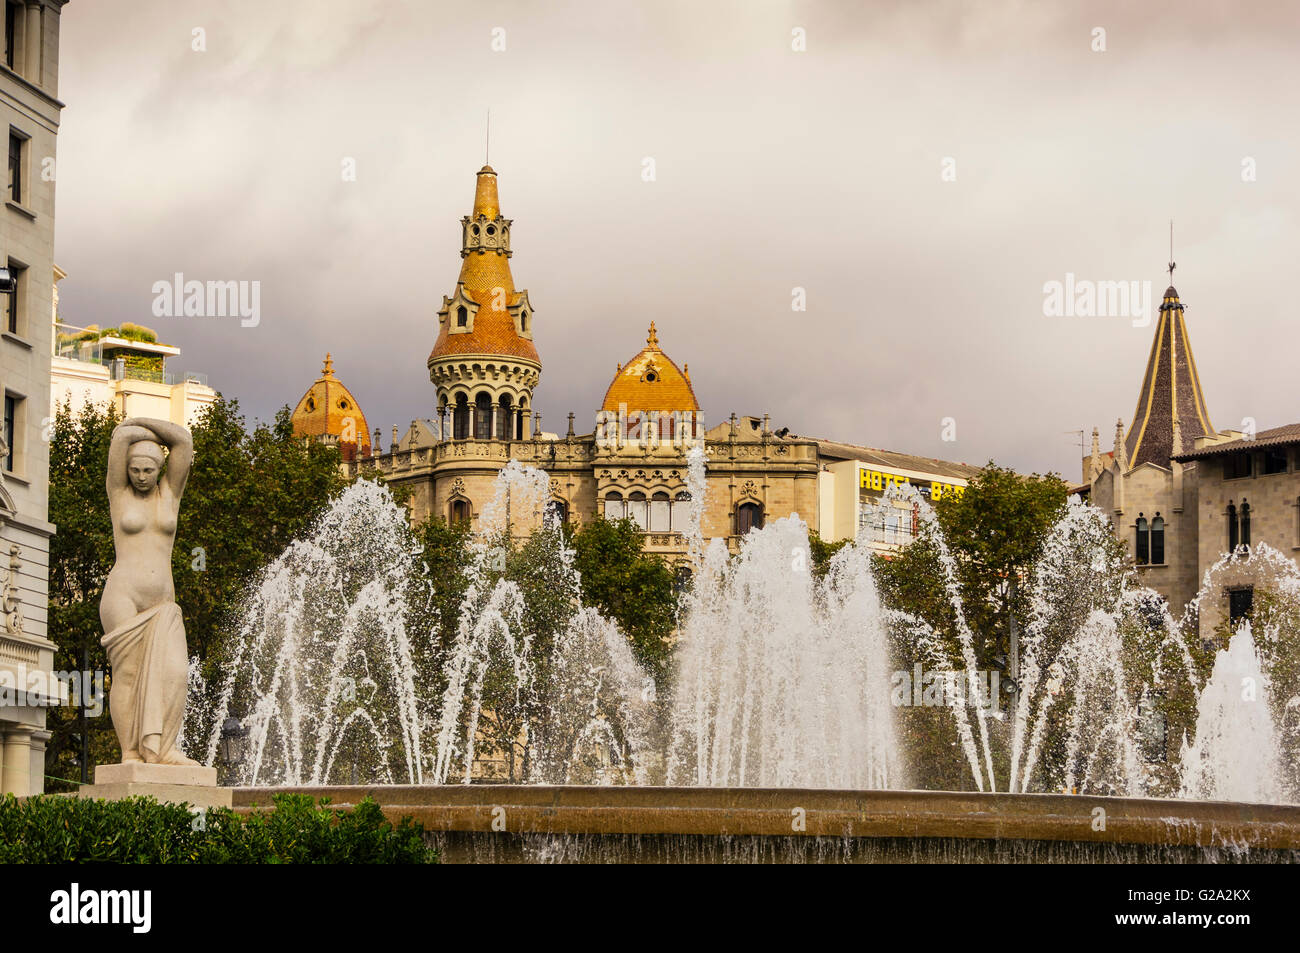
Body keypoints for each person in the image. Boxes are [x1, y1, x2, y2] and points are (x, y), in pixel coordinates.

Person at [101, 416, 199, 766]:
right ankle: (130, 751)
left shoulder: (171, 494)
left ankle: (164, 748)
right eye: (135, 470)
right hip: (122, 594)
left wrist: (141, 422)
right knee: (127, 674)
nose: (141, 476)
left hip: (162, 602)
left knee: (175, 672)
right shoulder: (118, 493)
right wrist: (134, 431)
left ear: (161, 468)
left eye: (148, 470)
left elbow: (183, 442)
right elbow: (120, 437)